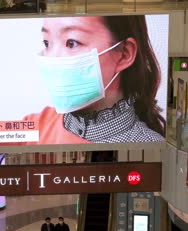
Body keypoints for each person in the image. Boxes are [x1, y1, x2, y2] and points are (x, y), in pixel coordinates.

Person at [22, 16, 165, 144]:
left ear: (124, 54)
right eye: (47, 43)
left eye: (71, 43)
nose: (52, 59)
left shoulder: (151, 147)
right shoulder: (37, 126)